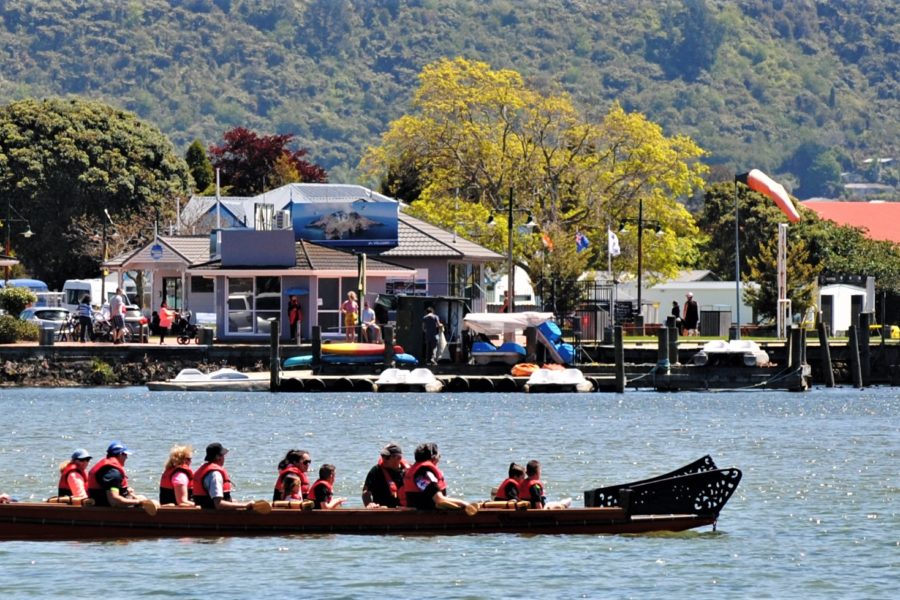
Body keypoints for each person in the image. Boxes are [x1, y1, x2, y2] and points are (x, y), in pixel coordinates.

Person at [399, 442, 472, 511]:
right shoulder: (424, 474)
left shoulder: (417, 470)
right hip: (425, 516)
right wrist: (465, 504)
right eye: (439, 456)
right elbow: (439, 500)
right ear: (433, 458)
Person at [192, 442, 254, 510]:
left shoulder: (205, 470)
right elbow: (218, 504)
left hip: (204, 514)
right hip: (215, 516)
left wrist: (235, 502)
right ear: (218, 457)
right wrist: (245, 505)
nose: (224, 458)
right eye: (223, 455)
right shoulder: (215, 475)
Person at [86, 441, 149, 508]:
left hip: (102, 502)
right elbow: (114, 502)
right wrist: (138, 502)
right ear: (120, 454)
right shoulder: (113, 473)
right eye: (125, 454)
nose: (126, 457)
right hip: (105, 508)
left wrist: (126, 491)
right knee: (143, 501)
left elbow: (112, 489)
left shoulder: (109, 469)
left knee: (142, 497)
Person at [362, 443, 408, 508]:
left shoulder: (407, 471)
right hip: (382, 510)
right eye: (382, 455)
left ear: (398, 458)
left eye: (387, 457)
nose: (383, 458)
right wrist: (369, 503)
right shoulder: (376, 471)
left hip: (403, 511)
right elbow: (366, 492)